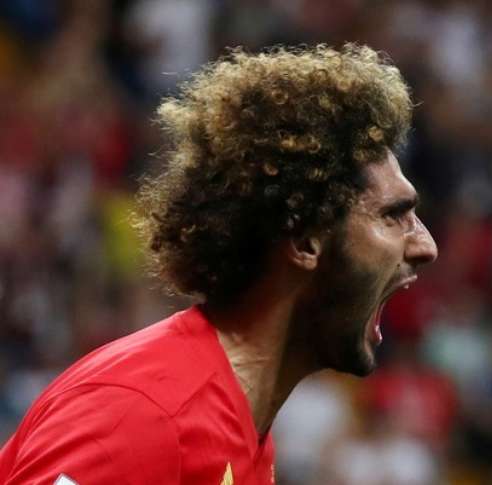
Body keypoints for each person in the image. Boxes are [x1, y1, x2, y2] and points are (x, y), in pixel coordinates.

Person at [0, 44, 438, 485]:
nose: (425, 245)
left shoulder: (245, 438)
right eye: (394, 215)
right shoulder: (148, 415)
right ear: (306, 240)